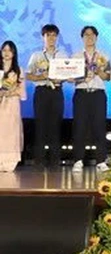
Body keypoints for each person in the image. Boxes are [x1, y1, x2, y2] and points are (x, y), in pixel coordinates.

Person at [71, 26, 111, 173]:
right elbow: (70, 78)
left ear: (96, 37)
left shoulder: (103, 56)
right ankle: (78, 160)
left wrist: (99, 71)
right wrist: (83, 77)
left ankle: (101, 161)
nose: (89, 37)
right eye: (86, 35)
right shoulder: (76, 56)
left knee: (99, 127)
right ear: (82, 38)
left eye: (92, 34)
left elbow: (108, 77)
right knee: (80, 127)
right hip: (81, 93)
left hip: (98, 93)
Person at [26, 24, 67, 166]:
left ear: (57, 37)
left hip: (57, 91)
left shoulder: (62, 55)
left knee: (56, 125)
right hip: (41, 91)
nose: (51, 38)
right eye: (48, 35)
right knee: (40, 125)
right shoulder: (36, 55)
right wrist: (40, 76)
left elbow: (68, 74)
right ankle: (39, 160)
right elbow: (28, 75)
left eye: (54, 35)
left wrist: (61, 78)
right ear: (43, 37)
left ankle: (55, 160)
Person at [0, 41, 26, 171]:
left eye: (9, 50)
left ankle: (9, 161)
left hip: (12, 104)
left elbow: (22, 92)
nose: (6, 53)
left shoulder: (18, 70)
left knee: (11, 132)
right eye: (4, 50)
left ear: (14, 53)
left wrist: (10, 92)